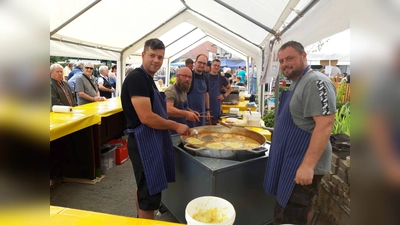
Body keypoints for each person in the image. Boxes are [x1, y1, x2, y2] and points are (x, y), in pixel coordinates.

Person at [263, 41, 336, 225]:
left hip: (302, 164)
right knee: (289, 212)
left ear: (304, 56)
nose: (285, 64)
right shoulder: (298, 82)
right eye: (281, 61)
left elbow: (325, 124)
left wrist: (308, 166)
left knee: (292, 215)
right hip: (291, 160)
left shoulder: (316, 81)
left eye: (290, 58)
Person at [121, 38, 191, 220]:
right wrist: (176, 125)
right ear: (143, 55)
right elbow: (147, 117)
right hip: (144, 142)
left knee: (144, 188)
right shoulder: (137, 79)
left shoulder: (149, 79)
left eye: (160, 57)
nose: (156, 60)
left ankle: (139, 219)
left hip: (150, 140)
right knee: (150, 195)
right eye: (152, 55)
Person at [165, 67, 200, 132]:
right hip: (172, 134)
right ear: (177, 76)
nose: (187, 79)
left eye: (190, 77)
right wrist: (186, 114)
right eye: (184, 76)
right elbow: (168, 109)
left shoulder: (183, 91)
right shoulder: (171, 91)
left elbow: (184, 107)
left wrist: (191, 111)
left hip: (182, 131)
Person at [187, 54, 210, 127]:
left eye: (204, 63)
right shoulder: (188, 76)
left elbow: (206, 94)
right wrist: (187, 110)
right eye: (200, 62)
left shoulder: (205, 78)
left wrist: (207, 110)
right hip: (189, 112)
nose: (202, 65)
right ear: (195, 62)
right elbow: (181, 94)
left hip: (201, 112)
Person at [207, 59, 232, 125]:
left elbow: (229, 88)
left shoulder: (222, 78)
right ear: (211, 66)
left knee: (215, 126)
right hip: (205, 105)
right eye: (215, 65)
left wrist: (224, 96)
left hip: (215, 105)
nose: (216, 67)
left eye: (218, 66)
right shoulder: (205, 76)